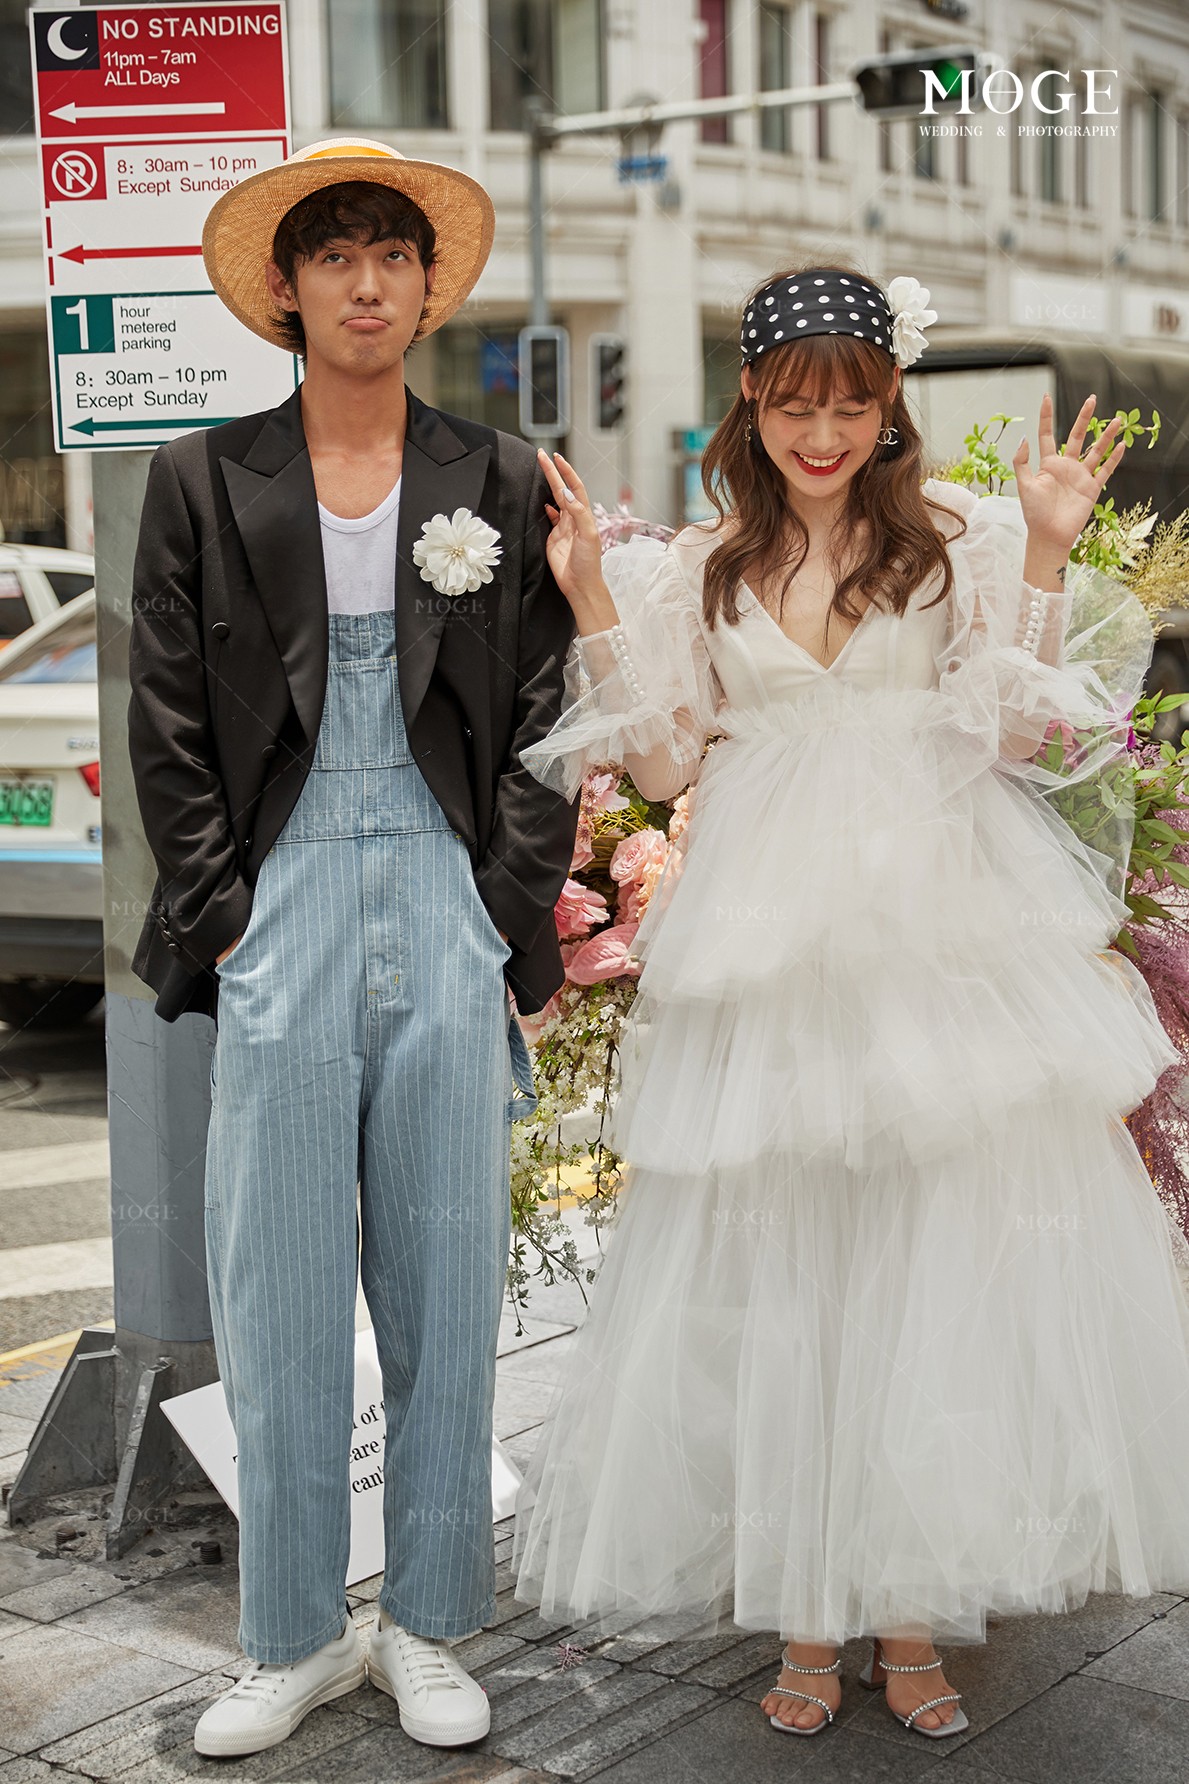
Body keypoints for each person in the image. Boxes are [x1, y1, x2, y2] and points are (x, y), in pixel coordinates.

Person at [509, 261, 1189, 1740]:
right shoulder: (695, 565)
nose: (822, 434)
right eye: (795, 403)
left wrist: (1050, 552)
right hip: (767, 944)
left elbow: (1016, 737)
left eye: (852, 403)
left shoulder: (958, 538)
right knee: (787, 1271)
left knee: (925, 1267)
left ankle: (910, 1614)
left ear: (890, 405)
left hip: (935, 930)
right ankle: (808, 1614)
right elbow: (670, 762)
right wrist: (589, 595)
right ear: (750, 403)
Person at [125, 137, 579, 1757]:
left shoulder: (498, 475)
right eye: (336, 256)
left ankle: (435, 1621)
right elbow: (167, 718)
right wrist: (230, 922)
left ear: (429, 287)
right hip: (284, 902)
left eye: (393, 254)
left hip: (446, 896)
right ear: (287, 288)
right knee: (280, 1285)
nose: (367, 283)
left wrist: (500, 907)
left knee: (449, 1280)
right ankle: (293, 1636)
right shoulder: (201, 476)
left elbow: (549, 709)